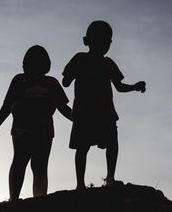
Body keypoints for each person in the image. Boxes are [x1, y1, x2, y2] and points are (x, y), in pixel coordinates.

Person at [62, 20, 146, 190]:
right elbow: (65, 82)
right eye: (100, 40)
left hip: (104, 111)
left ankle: (110, 178)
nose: (104, 44)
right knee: (83, 146)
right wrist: (69, 76)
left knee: (111, 143)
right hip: (85, 111)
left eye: (107, 41)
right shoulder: (80, 59)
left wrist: (135, 87)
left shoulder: (108, 63)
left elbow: (120, 87)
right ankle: (80, 184)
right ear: (87, 41)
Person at [0, 45, 72, 201]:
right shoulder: (19, 80)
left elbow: (63, 107)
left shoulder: (51, 83)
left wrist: (78, 119)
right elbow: (7, 105)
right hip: (22, 130)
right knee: (20, 161)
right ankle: (14, 199)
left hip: (44, 131)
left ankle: (39, 200)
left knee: (39, 166)